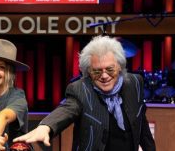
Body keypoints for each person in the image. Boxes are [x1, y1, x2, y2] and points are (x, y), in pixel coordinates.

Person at [14, 36, 156, 151]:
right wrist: (46, 127)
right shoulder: (80, 89)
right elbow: (67, 109)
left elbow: (141, 122)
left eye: (110, 69)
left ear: (119, 66)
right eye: (97, 71)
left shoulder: (134, 83)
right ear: (88, 72)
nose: (104, 76)